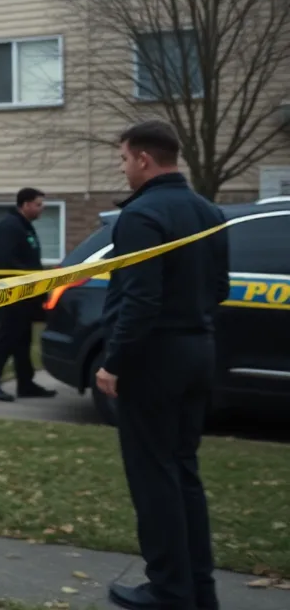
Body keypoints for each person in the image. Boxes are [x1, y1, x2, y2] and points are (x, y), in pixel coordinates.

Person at [97, 120, 229, 610]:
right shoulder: (209, 211)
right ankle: (199, 587)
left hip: (153, 361)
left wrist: (115, 361)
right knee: (183, 469)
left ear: (144, 159)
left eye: (124, 159)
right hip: (198, 350)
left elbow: (139, 301)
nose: (124, 167)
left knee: (153, 475)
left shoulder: (142, 216)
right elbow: (219, 289)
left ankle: (168, 589)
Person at [0, 187, 58, 402]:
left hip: (27, 294)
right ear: (26, 204)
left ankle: (26, 383)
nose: (41, 209)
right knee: (5, 338)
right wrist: (33, 277)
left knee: (22, 339)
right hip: (13, 293)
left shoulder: (25, 227)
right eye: (38, 205)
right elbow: (8, 262)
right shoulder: (10, 227)